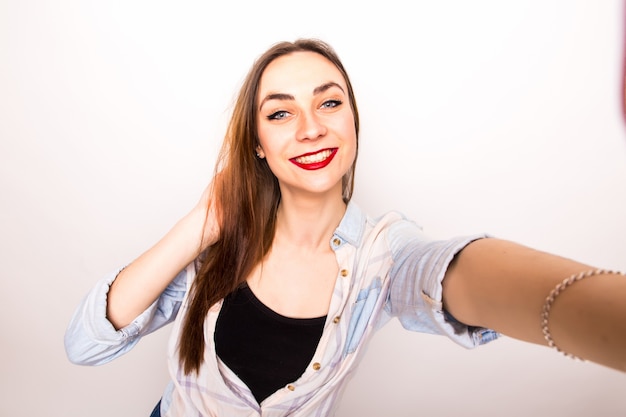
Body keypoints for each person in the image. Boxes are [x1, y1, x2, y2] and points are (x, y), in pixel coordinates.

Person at [64, 38, 626, 417]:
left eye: (329, 104)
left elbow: (454, 271)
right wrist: (204, 221)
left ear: (352, 122)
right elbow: (84, 345)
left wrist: (594, 310)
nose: (310, 128)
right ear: (257, 145)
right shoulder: (216, 245)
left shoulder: (385, 254)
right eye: (280, 113)